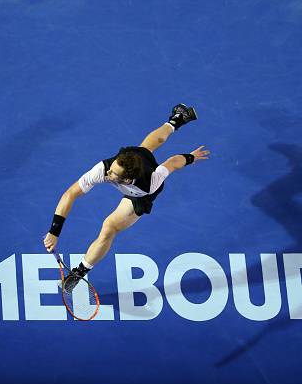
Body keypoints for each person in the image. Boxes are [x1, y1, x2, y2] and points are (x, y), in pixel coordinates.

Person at [43, 104, 209, 291]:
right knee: (150, 144)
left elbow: (172, 162)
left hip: (139, 196)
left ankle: (78, 273)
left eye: (113, 173)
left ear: (127, 179)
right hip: (137, 158)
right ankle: (176, 120)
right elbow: (70, 194)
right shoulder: (106, 168)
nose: (108, 173)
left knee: (109, 227)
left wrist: (191, 157)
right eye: (111, 167)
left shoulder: (151, 182)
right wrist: (54, 232)